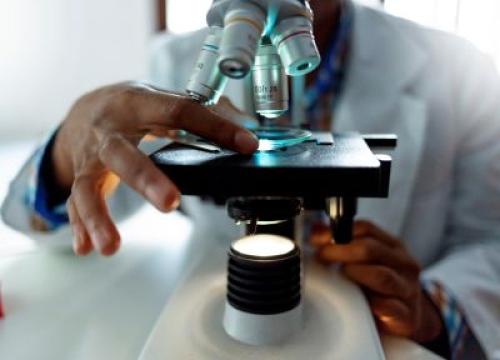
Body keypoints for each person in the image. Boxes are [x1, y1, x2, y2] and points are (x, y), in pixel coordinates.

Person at [2, 0, 500, 358]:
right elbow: (57, 220)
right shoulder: (175, 62)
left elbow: (490, 241)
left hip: (382, 330)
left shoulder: (460, 69)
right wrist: (69, 149)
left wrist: (434, 311)